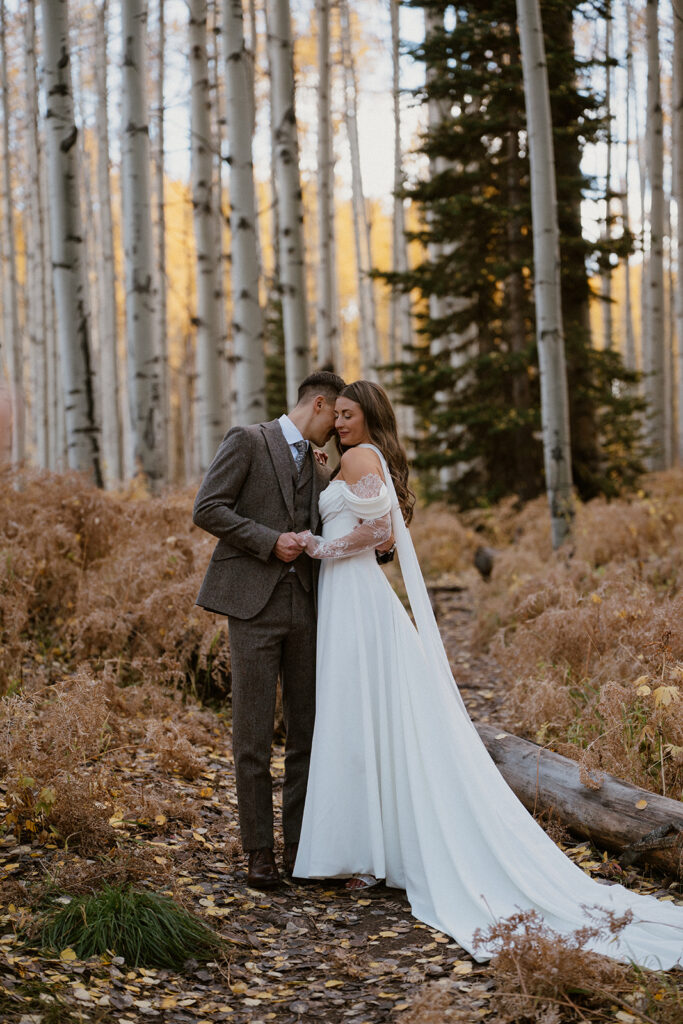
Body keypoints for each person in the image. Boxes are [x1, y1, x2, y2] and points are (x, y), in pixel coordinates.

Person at [293, 379, 683, 970]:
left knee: (357, 715)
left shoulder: (359, 456)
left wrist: (317, 547)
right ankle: (367, 850)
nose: (340, 423)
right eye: (337, 416)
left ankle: (365, 853)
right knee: (361, 718)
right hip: (349, 600)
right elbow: (369, 519)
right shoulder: (352, 459)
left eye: (348, 415)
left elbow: (380, 534)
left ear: (369, 417)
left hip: (356, 600)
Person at [192, 371, 345, 888]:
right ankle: (259, 853)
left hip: (308, 606)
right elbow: (207, 508)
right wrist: (268, 540)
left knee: (307, 734)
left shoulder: (325, 467)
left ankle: (301, 849)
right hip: (252, 607)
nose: (339, 428)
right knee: (252, 737)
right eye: (336, 416)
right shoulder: (248, 440)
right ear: (318, 404)